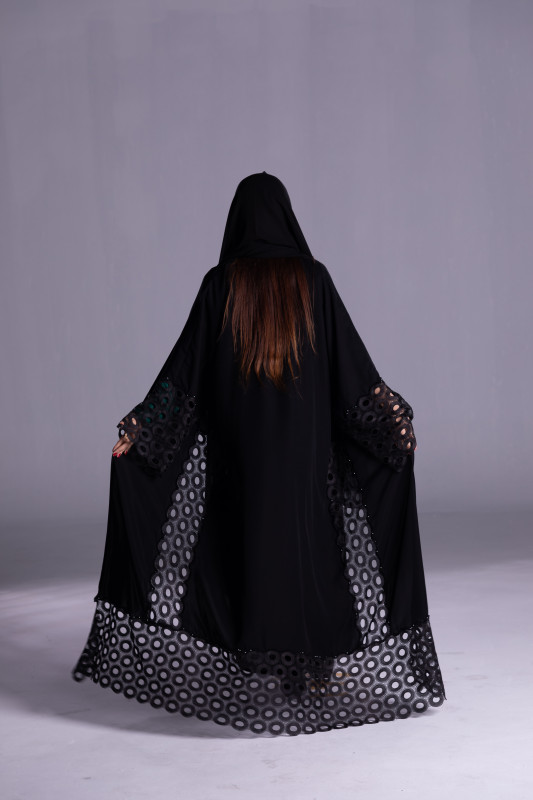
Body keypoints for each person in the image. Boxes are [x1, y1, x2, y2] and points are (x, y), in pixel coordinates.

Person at [72, 171, 446, 736]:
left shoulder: (222, 285)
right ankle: (311, 666)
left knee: (244, 549)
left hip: (240, 461)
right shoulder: (312, 282)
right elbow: (353, 372)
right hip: (304, 460)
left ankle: (255, 651)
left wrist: (142, 431)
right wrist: (392, 423)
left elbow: (183, 375)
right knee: (308, 550)